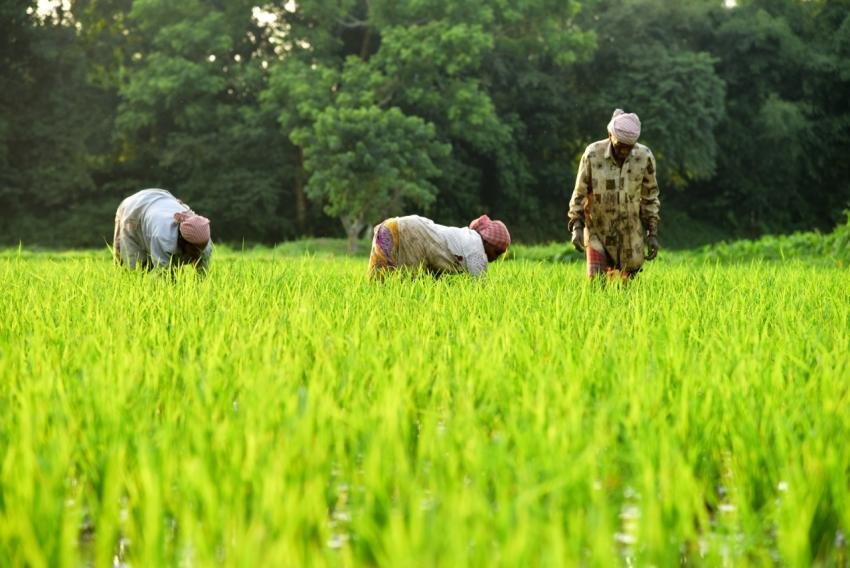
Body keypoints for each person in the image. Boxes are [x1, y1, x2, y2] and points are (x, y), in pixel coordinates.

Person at [567, 109, 660, 280]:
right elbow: (580, 192)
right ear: (610, 135)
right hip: (598, 231)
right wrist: (576, 226)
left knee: (626, 293)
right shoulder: (593, 154)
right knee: (596, 283)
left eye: (629, 147)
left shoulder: (644, 156)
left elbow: (650, 197)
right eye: (620, 145)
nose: (624, 151)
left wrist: (652, 233)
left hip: (630, 236)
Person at [368, 214, 510, 279]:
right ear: (488, 242)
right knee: (408, 280)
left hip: (408, 225)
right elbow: (480, 288)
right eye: (497, 252)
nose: (496, 257)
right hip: (414, 232)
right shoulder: (477, 250)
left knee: (406, 278)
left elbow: (437, 268)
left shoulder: (468, 237)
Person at [113, 188, 212, 274]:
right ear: (183, 241)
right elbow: (165, 274)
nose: (198, 253)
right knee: (134, 269)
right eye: (194, 250)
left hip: (161, 198)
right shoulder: (163, 236)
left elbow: (202, 275)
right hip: (133, 209)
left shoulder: (204, 243)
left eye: (200, 250)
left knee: (176, 265)